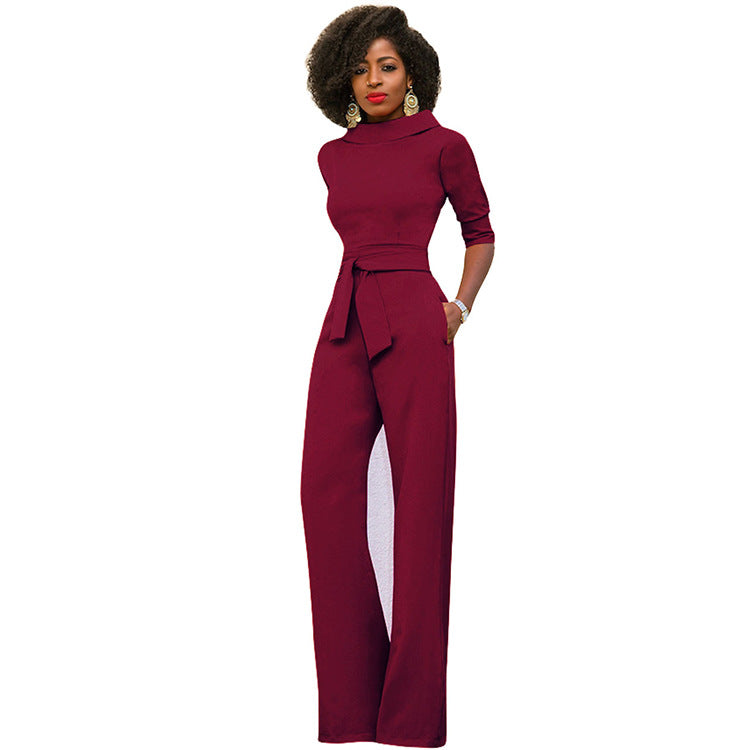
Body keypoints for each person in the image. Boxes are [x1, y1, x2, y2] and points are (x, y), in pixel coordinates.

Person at [300, 6, 495, 747]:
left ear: (412, 72)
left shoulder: (445, 145)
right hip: (344, 320)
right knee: (323, 492)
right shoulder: (333, 155)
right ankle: (352, 708)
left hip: (416, 316)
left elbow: (480, 232)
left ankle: (410, 719)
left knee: (420, 503)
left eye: (386, 66)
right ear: (342, 80)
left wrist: (459, 308)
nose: (373, 80)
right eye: (360, 69)